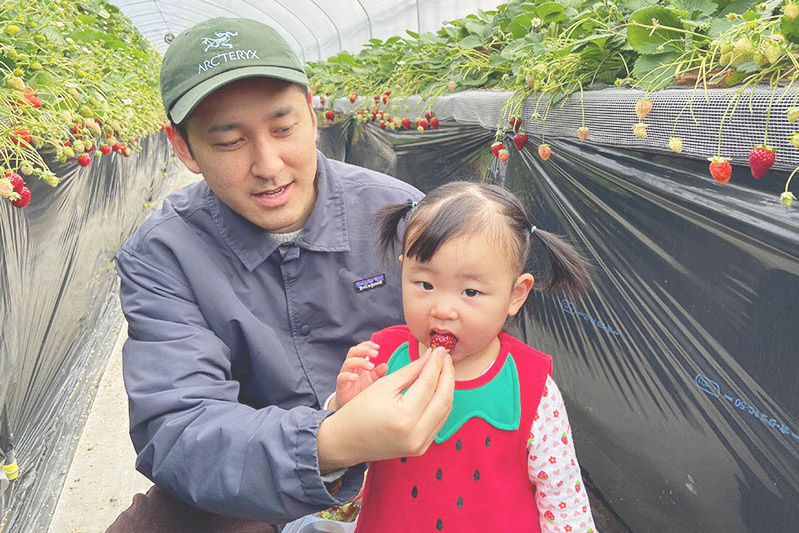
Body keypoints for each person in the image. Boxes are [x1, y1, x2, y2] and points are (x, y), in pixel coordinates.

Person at [108, 16, 455, 532]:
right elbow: (179, 430)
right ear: (182, 149)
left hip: (413, 459)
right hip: (254, 482)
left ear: (313, 114)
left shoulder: (401, 215)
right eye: (229, 142)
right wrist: (333, 441)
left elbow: (474, 339)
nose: (268, 165)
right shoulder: (164, 255)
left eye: (284, 128)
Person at [331, 181, 597, 532]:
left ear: (515, 294)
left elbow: (563, 501)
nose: (442, 309)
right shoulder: (382, 360)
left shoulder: (532, 388)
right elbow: (341, 484)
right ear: (403, 270)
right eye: (424, 284)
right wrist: (341, 408)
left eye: (470, 291)